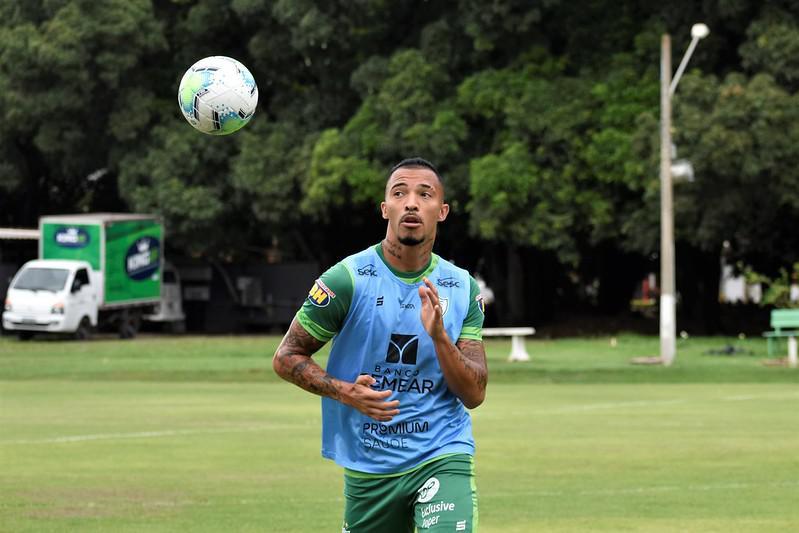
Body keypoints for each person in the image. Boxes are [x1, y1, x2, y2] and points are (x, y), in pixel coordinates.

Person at [273, 157, 488, 532]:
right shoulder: (347, 280)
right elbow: (287, 356)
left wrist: (439, 337)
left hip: (441, 451)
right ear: (385, 208)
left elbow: (474, 393)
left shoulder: (462, 288)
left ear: (443, 211)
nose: (411, 203)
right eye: (399, 193)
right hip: (369, 464)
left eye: (425, 194)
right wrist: (345, 393)